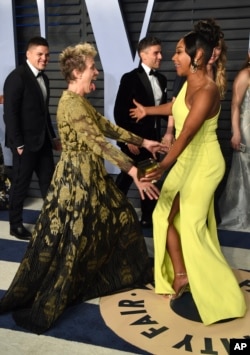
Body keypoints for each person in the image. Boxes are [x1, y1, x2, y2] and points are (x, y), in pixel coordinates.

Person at [0, 42, 166, 334]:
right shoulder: (70, 104)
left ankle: (121, 270)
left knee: (121, 218)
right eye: (92, 68)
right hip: (76, 180)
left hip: (93, 176)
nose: (97, 73)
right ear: (77, 72)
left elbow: (106, 127)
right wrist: (133, 170)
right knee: (72, 237)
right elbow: (97, 142)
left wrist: (144, 142)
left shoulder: (81, 102)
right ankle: (76, 280)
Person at [130, 21, 246, 324]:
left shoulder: (207, 90)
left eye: (179, 52)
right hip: (185, 161)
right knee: (161, 215)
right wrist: (147, 111)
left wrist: (161, 167)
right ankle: (181, 275)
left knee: (192, 227)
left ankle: (226, 297)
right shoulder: (188, 85)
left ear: (196, 58)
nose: (172, 57)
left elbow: (186, 135)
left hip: (204, 164)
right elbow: (175, 107)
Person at [3, 36, 61, 240]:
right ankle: (15, 225)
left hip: (43, 141)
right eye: (40, 54)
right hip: (24, 144)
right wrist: (17, 143)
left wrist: (53, 137)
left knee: (49, 182)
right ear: (28, 54)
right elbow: (10, 115)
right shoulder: (16, 78)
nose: (44, 58)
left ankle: (53, 219)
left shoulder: (44, 78)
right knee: (20, 184)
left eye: (46, 55)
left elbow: (44, 113)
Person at [114, 36, 168, 228]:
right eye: (156, 53)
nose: (161, 56)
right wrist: (130, 140)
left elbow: (163, 110)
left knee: (150, 177)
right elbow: (119, 114)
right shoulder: (129, 78)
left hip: (152, 140)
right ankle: (111, 213)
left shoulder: (162, 79)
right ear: (143, 55)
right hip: (133, 140)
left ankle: (147, 218)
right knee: (126, 179)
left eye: (160, 52)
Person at [162, 18, 227, 149]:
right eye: (211, 48)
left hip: (205, 137)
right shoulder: (187, 72)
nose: (213, 53)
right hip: (185, 135)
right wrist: (169, 132)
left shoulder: (217, 73)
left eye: (217, 48)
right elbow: (174, 104)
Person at [218, 51, 250, 231]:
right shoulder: (245, 74)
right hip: (246, 128)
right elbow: (235, 105)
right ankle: (240, 212)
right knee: (245, 169)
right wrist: (236, 132)